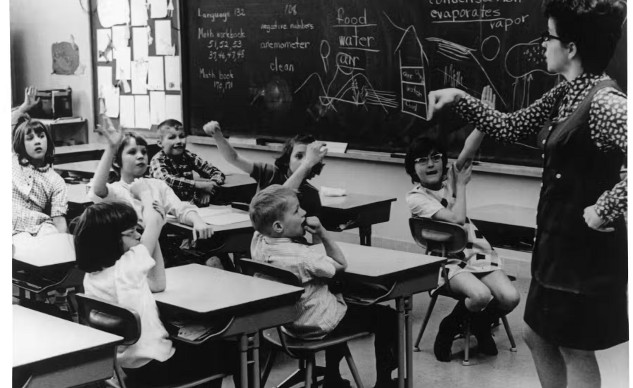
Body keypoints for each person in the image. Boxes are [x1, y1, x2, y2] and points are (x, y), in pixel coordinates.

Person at [426, 0, 627, 385]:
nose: (541, 45)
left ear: (570, 47)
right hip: (557, 246)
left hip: (584, 253)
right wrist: (458, 96)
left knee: (574, 346)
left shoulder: (604, 102)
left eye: (547, 37)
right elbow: (507, 125)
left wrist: (605, 207)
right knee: (537, 335)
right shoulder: (565, 93)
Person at [249, 185, 398, 388]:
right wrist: (322, 232)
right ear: (278, 227)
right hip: (318, 325)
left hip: (287, 325)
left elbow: (261, 223)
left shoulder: (258, 243)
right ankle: (384, 382)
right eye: (296, 211)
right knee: (386, 317)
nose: (303, 213)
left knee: (335, 300)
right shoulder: (303, 257)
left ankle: (333, 378)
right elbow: (340, 265)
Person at [74, 199, 230, 387]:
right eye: (131, 233)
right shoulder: (127, 267)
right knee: (229, 349)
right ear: (108, 241)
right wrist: (151, 205)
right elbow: (154, 223)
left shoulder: (91, 277)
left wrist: (152, 231)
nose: (139, 236)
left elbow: (157, 284)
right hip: (156, 367)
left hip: (125, 367)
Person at [405, 136, 520, 362]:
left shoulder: (450, 177)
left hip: (477, 252)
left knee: (510, 297)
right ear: (412, 169)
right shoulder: (416, 198)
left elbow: (468, 149)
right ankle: (449, 326)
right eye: (422, 160)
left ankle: (480, 324)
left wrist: (481, 121)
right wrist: (462, 186)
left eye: (435, 158)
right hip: (445, 261)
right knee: (480, 295)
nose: (430, 164)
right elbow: (456, 220)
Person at [88, 116, 214, 264]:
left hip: (162, 251)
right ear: (117, 161)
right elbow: (97, 189)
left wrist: (197, 221)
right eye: (132, 152)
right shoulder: (115, 191)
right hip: (131, 256)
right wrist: (111, 148)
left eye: (144, 152)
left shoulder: (157, 185)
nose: (140, 156)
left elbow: (181, 208)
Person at [204, 121, 326, 217]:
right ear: (288, 158)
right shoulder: (270, 173)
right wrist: (218, 136)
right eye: (299, 156)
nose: (304, 162)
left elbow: (315, 232)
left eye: (308, 159)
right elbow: (234, 158)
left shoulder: (312, 194)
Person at [12, 86, 69, 249]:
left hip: (39, 226)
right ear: (20, 145)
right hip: (11, 225)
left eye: (41, 136)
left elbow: (58, 218)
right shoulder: (13, 160)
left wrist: (64, 245)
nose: (37, 141)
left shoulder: (56, 181)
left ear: (48, 141)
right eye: (30, 138)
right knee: (22, 245)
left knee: (51, 238)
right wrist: (24, 107)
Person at [150, 119, 226, 207]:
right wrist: (199, 185)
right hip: (166, 207)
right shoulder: (157, 160)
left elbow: (217, 173)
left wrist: (208, 188)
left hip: (189, 206)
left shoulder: (188, 156)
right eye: (172, 137)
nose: (178, 141)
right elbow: (165, 180)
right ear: (160, 143)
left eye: (182, 136)